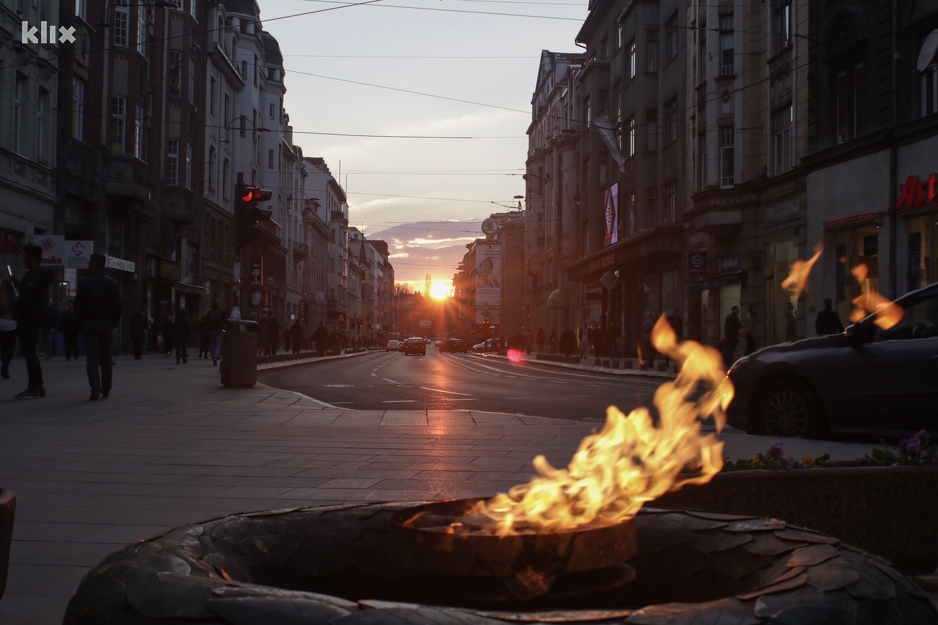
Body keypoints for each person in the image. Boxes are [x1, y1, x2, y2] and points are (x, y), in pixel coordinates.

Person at [75, 253, 123, 400]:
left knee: (92, 359)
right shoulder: (113, 283)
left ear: (94, 264)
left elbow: (79, 306)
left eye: (90, 263)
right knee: (106, 357)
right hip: (107, 325)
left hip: (89, 324)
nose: (89, 265)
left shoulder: (84, 282)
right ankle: (106, 389)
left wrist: (81, 322)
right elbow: (119, 307)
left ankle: (95, 390)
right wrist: (113, 322)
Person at [11, 244, 52, 399]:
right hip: (34, 319)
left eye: (25, 256)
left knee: (30, 354)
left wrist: (16, 307)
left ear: (31, 257)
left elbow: (28, 300)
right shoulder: (40, 276)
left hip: (28, 320)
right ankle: (37, 386)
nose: (23, 259)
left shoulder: (33, 276)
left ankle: (35, 387)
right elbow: (37, 296)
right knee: (30, 354)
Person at [0, 277, 17, 380]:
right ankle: (6, 364)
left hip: (0, 323)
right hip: (11, 324)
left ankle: (4, 366)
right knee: (11, 347)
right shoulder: (14, 298)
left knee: (2, 347)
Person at [205, 300, 226, 365]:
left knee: (213, 344)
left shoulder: (209, 312)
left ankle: (213, 354)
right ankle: (215, 356)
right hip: (219, 330)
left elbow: (206, 321)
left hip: (211, 330)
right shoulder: (221, 312)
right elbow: (225, 320)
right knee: (218, 344)